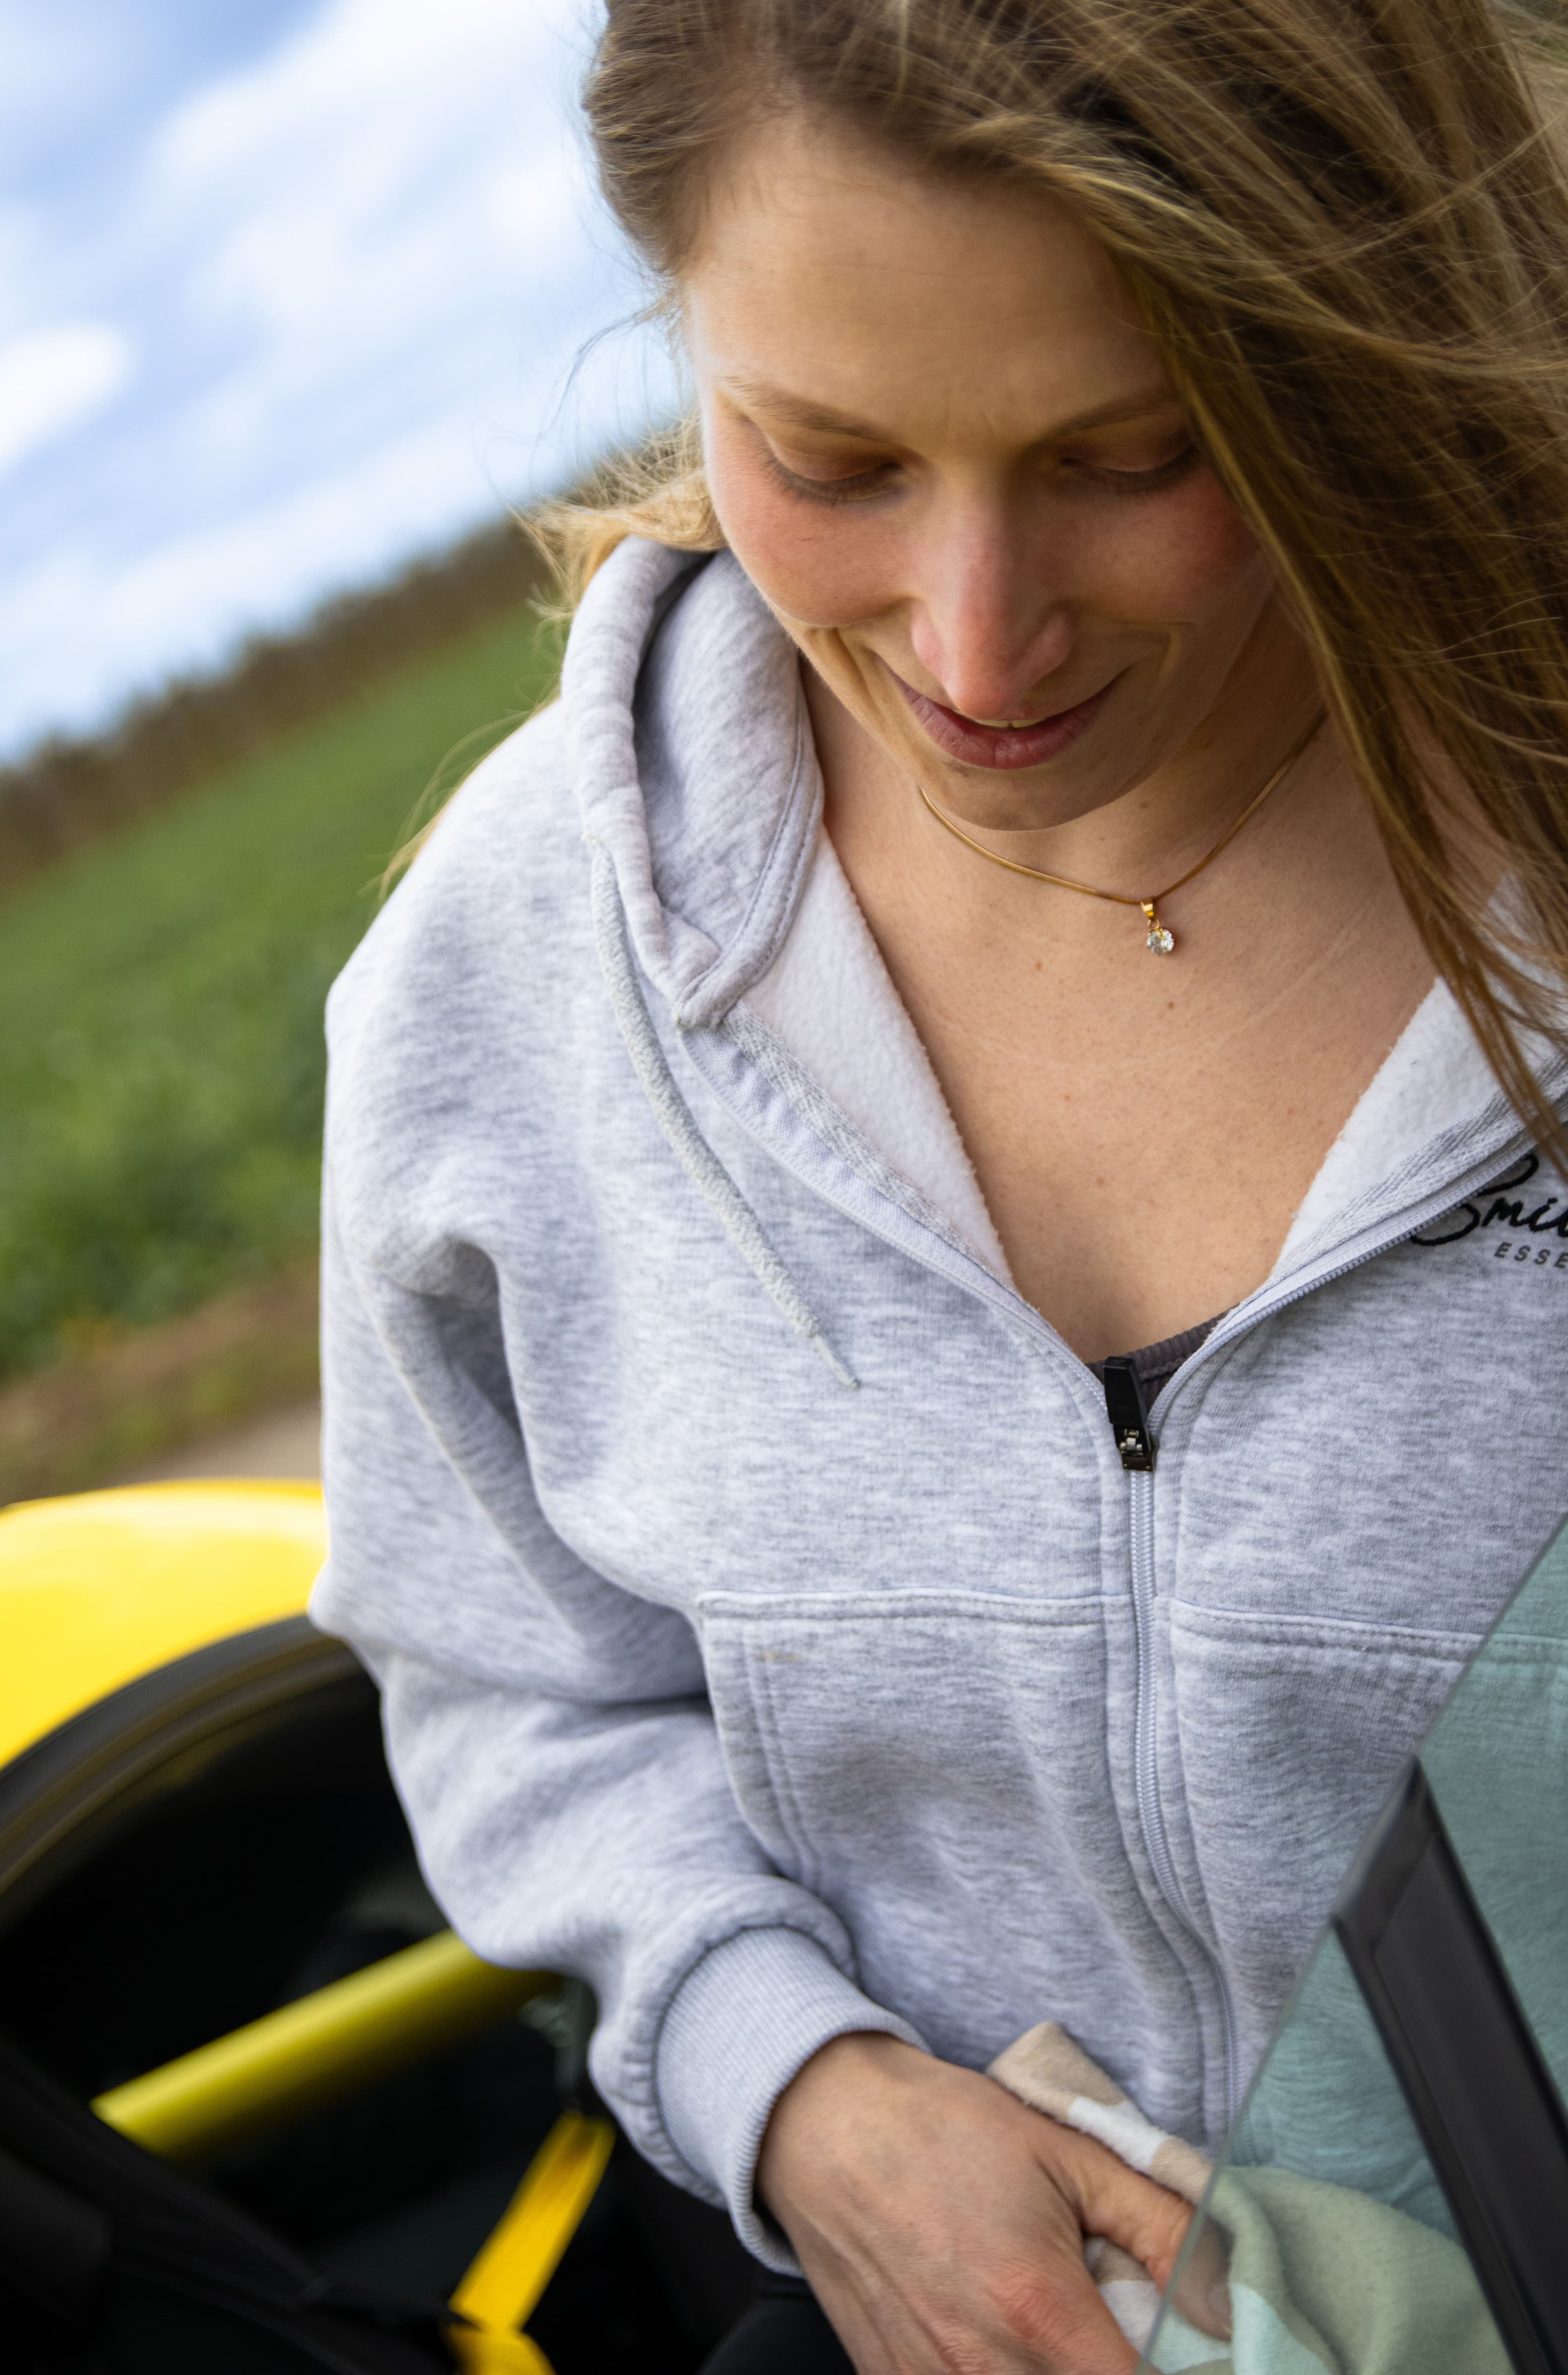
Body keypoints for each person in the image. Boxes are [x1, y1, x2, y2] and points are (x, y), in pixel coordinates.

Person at [310, 3, 1568, 2367]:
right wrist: (791, 2086)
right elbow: (508, 1684)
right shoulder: (503, 980)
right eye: (833, 456)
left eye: (1134, 455)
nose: (976, 642)